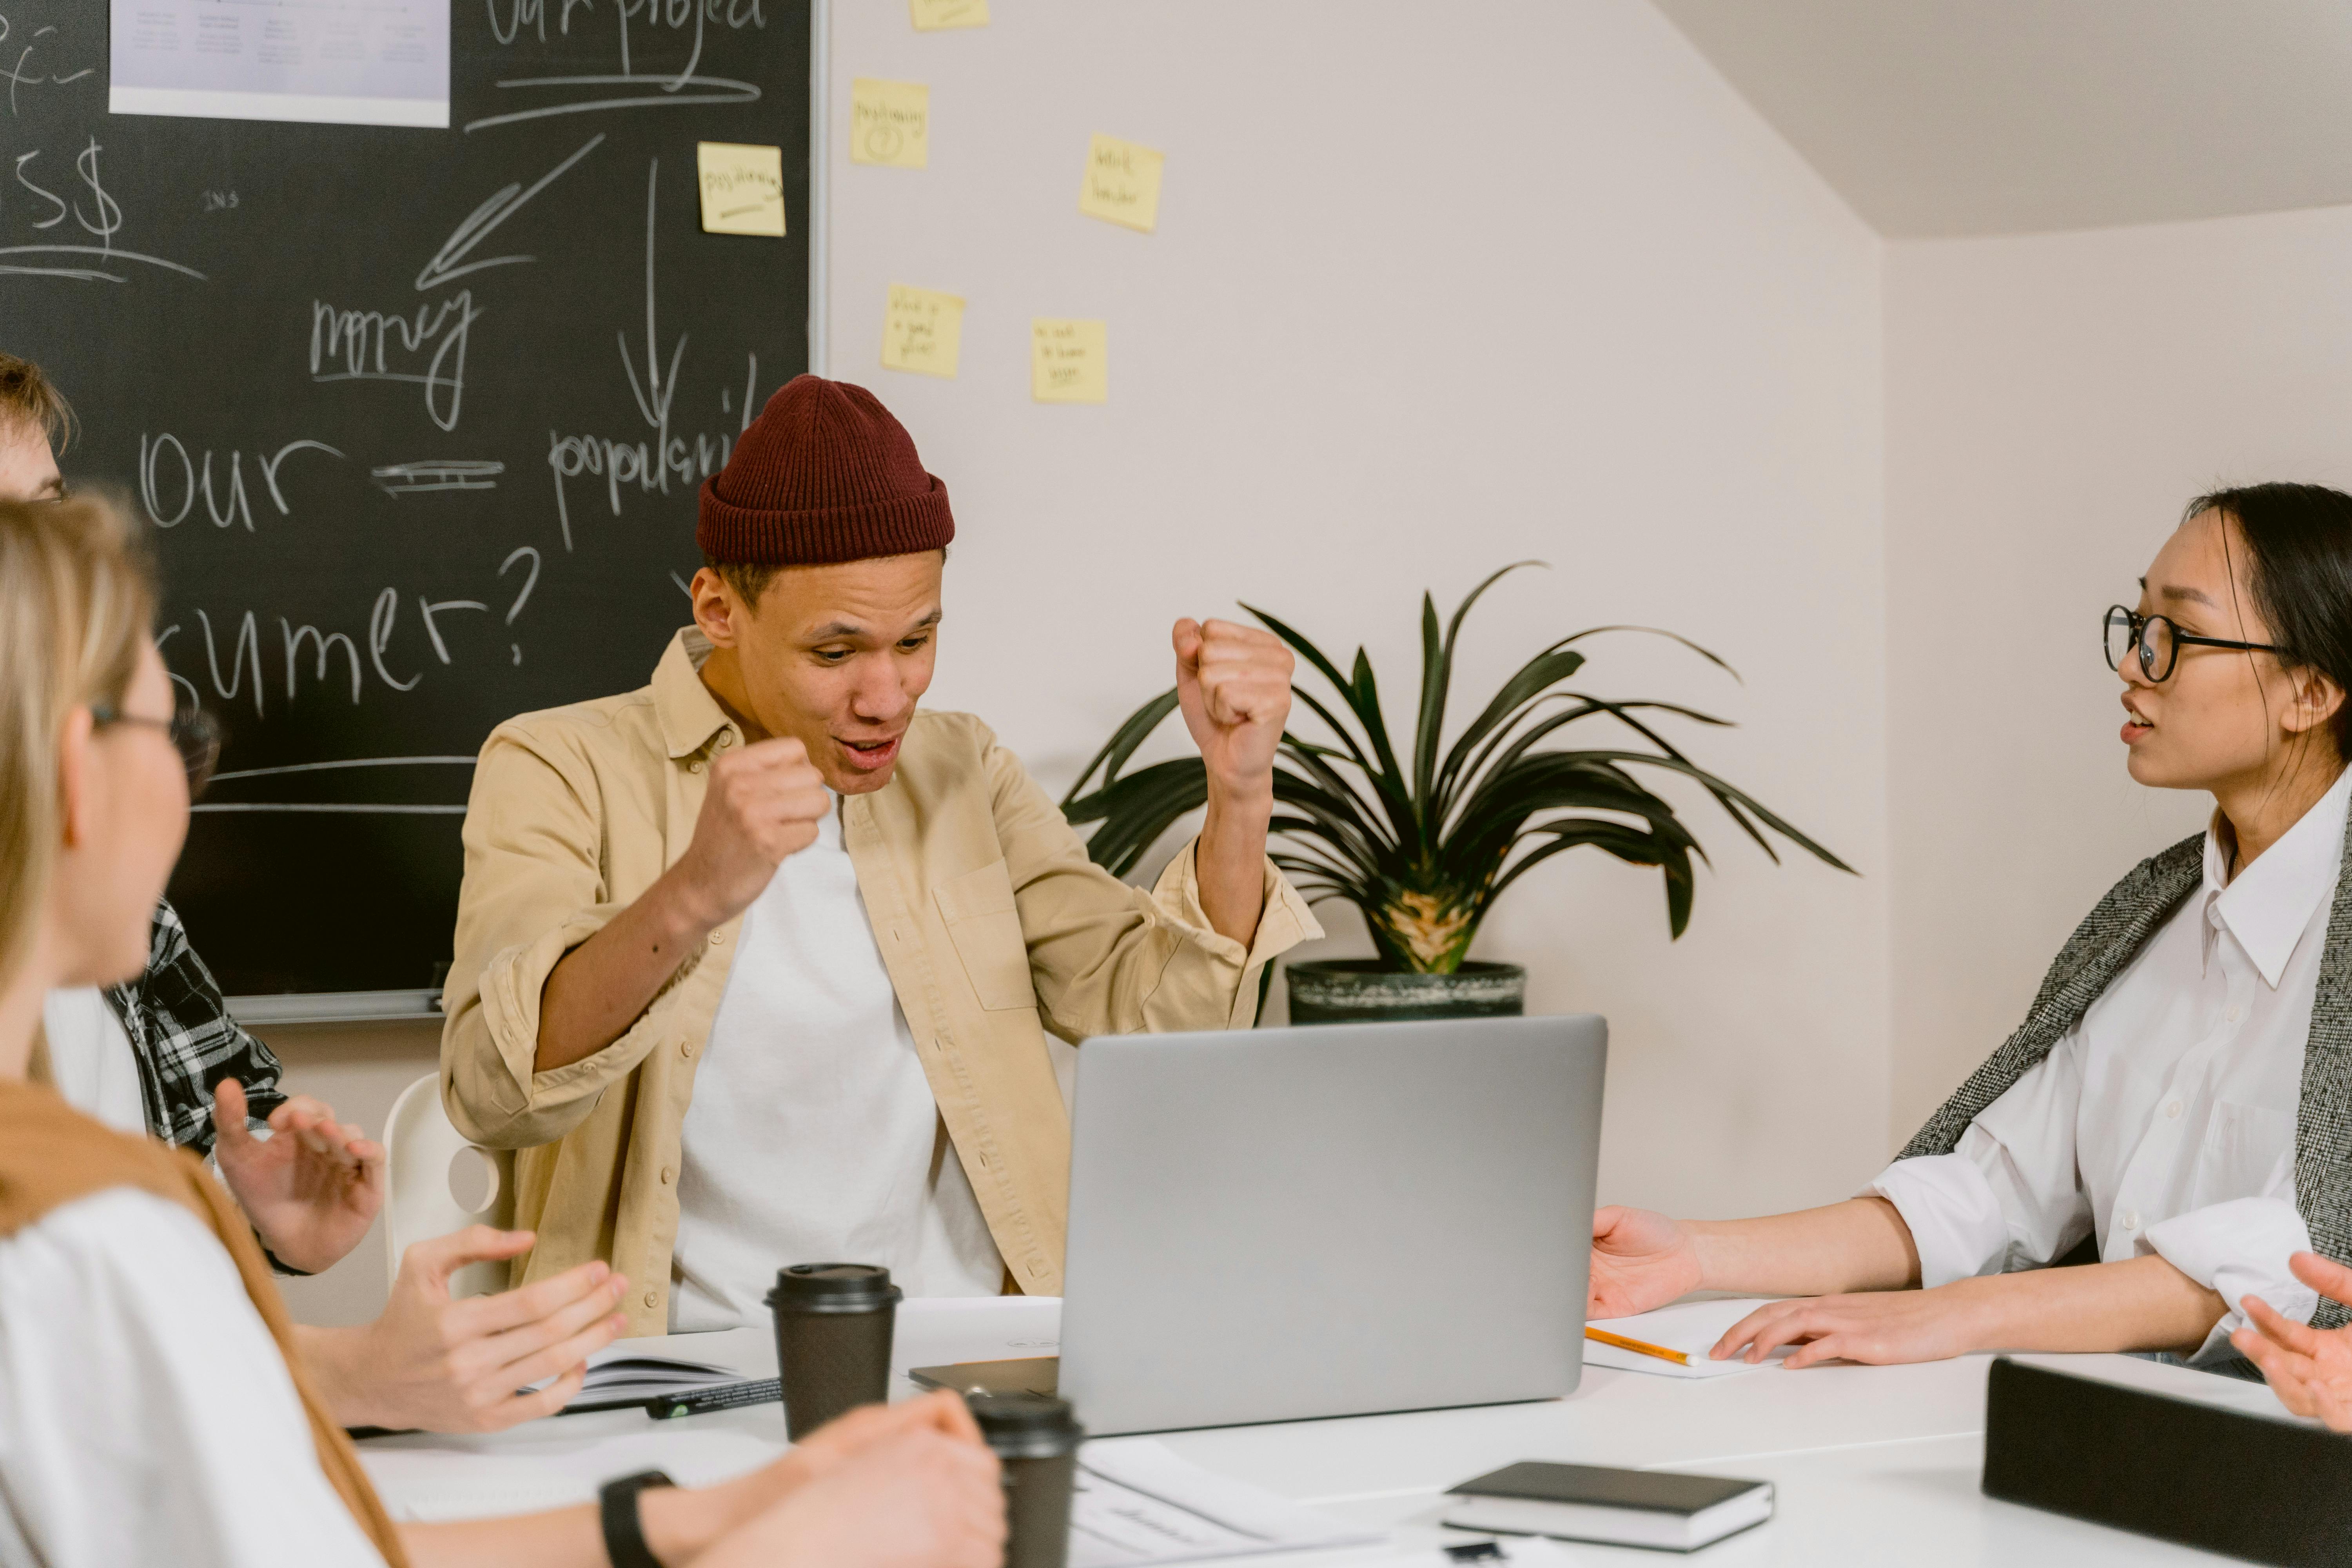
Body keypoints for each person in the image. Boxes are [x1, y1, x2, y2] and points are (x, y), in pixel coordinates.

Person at [0, 491, 1007, 1568]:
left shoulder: (79, 1200)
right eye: (176, 734)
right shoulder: (91, 1225)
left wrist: (709, 1514)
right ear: (77, 773)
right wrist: (786, 1545)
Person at [443, 374, 1320, 1331]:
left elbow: (1164, 1024)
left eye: (918, 638)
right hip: (686, 1370)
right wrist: (694, 892)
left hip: (973, 1351)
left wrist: (1239, 794)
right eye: (836, 652)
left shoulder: (962, 767)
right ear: (719, 608)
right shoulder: (557, 764)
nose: (888, 694)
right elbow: (493, 1088)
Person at [0, 350, 628, 1434]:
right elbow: (63, 1383)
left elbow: (126, 1310)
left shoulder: (109, 922)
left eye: (50, 521)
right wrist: (351, 1374)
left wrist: (251, 1217)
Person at [1591, 482, 2352, 1371]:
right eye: (2135, 625)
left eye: (2175, 636)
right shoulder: (2153, 908)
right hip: (2123, 1441)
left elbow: (2303, 1255)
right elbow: (1992, 1188)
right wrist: (1696, 1253)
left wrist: (1967, 1313)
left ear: (2311, 690)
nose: (2134, 666)